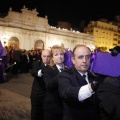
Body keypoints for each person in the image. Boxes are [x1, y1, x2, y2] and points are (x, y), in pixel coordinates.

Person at [58, 44, 101, 120]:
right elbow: (67, 93)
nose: (85, 61)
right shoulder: (64, 75)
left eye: (87, 57)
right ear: (73, 60)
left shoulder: (94, 76)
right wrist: (92, 87)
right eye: (80, 57)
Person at [43, 45, 68, 120]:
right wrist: (61, 74)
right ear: (52, 58)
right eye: (56, 54)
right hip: (52, 107)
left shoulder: (68, 69)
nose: (59, 56)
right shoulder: (48, 69)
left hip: (65, 107)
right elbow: (49, 85)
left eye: (61, 54)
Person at [30, 49, 51, 120]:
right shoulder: (37, 63)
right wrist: (40, 72)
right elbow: (33, 72)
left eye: (48, 56)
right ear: (41, 56)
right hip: (37, 94)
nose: (46, 58)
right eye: (44, 56)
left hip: (48, 94)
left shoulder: (52, 66)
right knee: (35, 113)